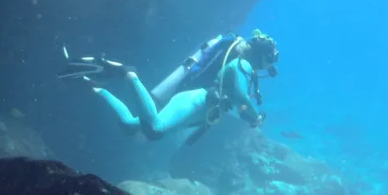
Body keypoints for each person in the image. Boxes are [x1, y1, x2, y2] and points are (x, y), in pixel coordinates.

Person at [57, 30, 279, 144]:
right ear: (261, 55)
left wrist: (248, 115)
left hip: (201, 110)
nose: (270, 66)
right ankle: (128, 73)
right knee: (155, 129)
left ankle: (94, 86)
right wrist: (255, 116)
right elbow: (241, 96)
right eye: (270, 60)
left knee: (131, 125)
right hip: (198, 100)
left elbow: (237, 102)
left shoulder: (245, 66)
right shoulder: (243, 64)